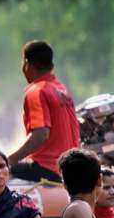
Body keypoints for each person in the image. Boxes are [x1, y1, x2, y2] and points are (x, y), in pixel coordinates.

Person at [8, 41, 80, 183]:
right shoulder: (62, 89)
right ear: (51, 66)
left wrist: (11, 160)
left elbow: (41, 134)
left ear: (27, 64)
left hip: (49, 169)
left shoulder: (36, 91)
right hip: (71, 167)